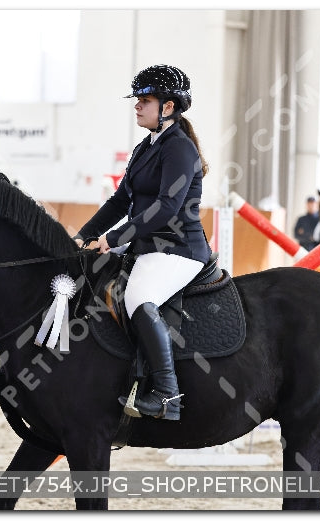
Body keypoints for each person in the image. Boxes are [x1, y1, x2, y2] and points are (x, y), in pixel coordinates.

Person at [73, 64, 211, 421]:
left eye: (145, 100)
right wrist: (82, 235)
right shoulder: (145, 146)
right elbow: (120, 201)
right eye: (137, 99)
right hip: (147, 245)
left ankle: (167, 394)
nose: (137, 106)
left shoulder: (179, 148)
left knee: (138, 296)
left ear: (168, 107)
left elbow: (167, 208)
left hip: (178, 249)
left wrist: (114, 238)